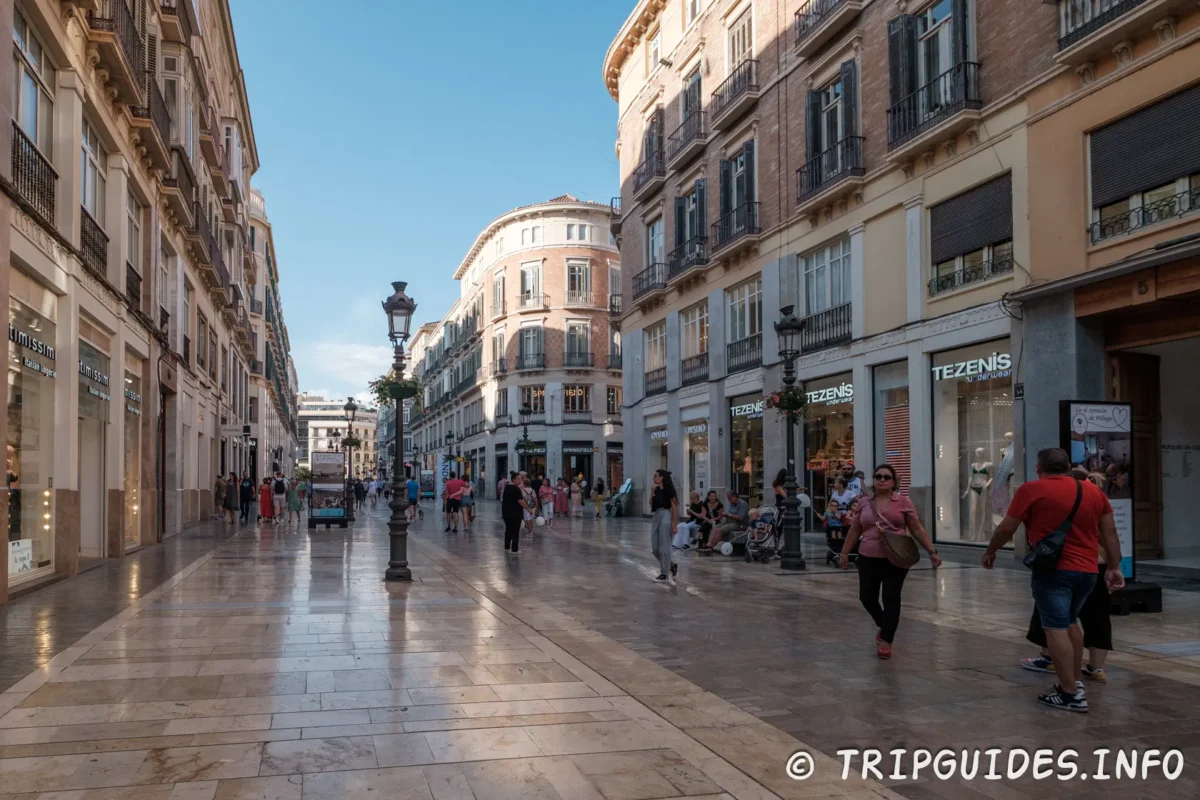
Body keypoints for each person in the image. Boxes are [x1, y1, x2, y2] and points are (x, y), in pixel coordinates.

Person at [982, 447, 1125, 713]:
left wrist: (991, 551)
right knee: (1071, 623)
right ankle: (1075, 683)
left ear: (1039, 468)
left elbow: (1007, 527)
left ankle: (1070, 693)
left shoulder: (1031, 490)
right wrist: (1114, 567)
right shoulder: (1092, 491)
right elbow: (1109, 532)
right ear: (1069, 466)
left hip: (1053, 569)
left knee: (1055, 627)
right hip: (1088, 570)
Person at [840, 464, 940, 659]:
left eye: (886, 477)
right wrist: (844, 553)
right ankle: (884, 624)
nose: (882, 480)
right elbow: (855, 530)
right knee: (866, 597)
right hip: (868, 555)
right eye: (878, 476)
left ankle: (887, 639)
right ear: (873, 479)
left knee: (891, 597)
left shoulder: (903, 502)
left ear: (894, 481)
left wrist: (932, 551)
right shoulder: (864, 502)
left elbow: (917, 528)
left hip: (896, 556)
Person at [650, 468, 679, 580]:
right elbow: (651, 505)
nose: (654, 478)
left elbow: (674, 508)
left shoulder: (669, 490)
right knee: (655, 548)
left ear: (661, 477)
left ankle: (664, 573)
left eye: (656, 476)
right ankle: (671, 565)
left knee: (664, 546)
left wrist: (674, 525)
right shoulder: (654, 489)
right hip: (656, 514)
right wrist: (652, 492)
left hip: (666, 514)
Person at [502, 473, 525, 553]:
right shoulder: (516, 489)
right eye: (518, 479)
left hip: (506, 513)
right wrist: (529, 509)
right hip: (515, 514)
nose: (520, 480)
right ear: (514, 479)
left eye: (521, 478)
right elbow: (521, 501)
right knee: (515, 531)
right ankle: (514, 549)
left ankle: (507, 546)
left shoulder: (507, 487)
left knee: (508, 530)